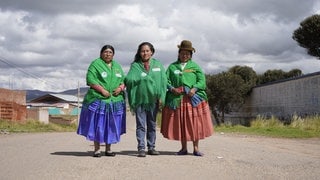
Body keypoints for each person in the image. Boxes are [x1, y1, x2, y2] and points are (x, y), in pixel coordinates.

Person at [161, 40, 214, 156]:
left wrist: (194, 89)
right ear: (179, 54)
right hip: (178, 99)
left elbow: (202, 82)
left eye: (187, 54)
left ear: (190, 55)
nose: (185, 56)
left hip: (192, 100)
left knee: (194, 123)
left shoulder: (195, 67)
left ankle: (196, 149)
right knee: (182, 124)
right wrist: (171, 89)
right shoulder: (172, 67)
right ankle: (183, 148)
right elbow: (165, 81)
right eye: (183, 53)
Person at [77, 44, 126, 157]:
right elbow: (90, 79)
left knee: (111, 125)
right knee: (98, 124)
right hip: (99, 99)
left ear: (113, 54)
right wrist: (102, 90)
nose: (108, 54)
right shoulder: (95, 64)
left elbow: (123, 80)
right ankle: (97, 149)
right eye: (105, 52)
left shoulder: (117, 66)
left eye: (110, 52)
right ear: (101, 53)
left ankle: (108, 149)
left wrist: (120, 88)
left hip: (114, 100)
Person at [125, 42, 167, 157]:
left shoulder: (158, 65)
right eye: (143, 51)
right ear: (139, 52)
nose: (145, 53)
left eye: (147, 51)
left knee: (152, 124)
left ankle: (152, 147)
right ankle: (141, 148)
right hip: (140, 100)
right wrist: (142, 78)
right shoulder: (135, 66)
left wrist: (162, 96)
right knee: (141, 125)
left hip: (153, 100)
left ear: (151, 52)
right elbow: (128, 79)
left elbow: (163, 81)